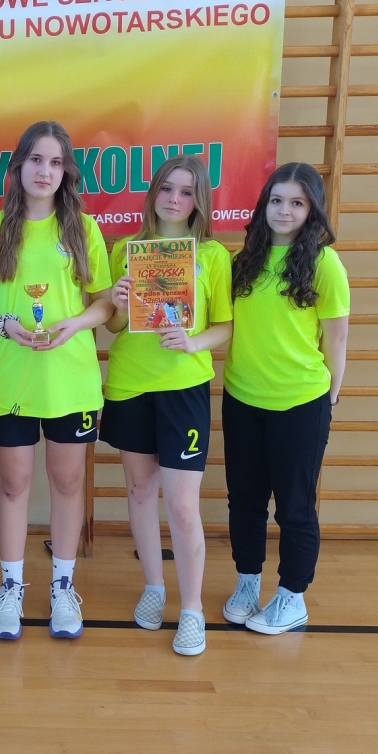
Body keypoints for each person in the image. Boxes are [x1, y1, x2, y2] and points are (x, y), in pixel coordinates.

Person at [0, 121, 113, 640]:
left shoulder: (84, 229)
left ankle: (62, 587)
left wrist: (75, 323)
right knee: (13, 485)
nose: (44, 171)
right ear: (18, 166)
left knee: (68, 483)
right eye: (35, 160)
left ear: (66, 171)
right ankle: (10, 588)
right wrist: (5, 324)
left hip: (70, 381)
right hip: (11, 381)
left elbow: (104, 303)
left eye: (55, 162)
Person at [98, 155, 233, 656]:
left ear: (200, 201)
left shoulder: (213, 256)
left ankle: (192, 609)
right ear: (153, 192)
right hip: (130, 386)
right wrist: (116, 300)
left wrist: (193, 342)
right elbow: (114, 326)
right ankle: (154, 588)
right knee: (139, 492)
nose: (174, 199)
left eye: (186, 191)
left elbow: (226, 325)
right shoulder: (127, 250)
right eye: (167, 188)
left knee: (180, 505)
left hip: (183, 389)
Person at [222, 163, 349, 635]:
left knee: (294, 506)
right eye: (277, 200)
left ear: (312, 209)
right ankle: (247, 584)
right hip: (242, 399)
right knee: (245, 500)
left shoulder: (324, 263)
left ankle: (292, 596)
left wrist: (329, 400)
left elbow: (337, 340)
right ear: (264, 205)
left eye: (297, 202)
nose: (285, 210)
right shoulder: (243, 260)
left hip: (300, 403)